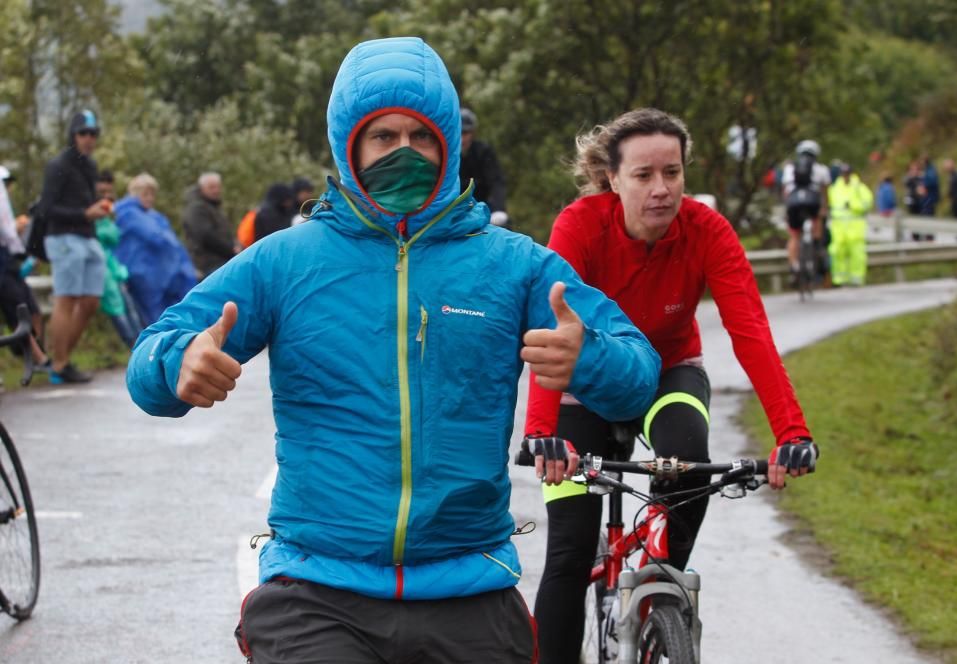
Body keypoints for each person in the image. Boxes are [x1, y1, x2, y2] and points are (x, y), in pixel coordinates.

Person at [125, 36, 660, 663]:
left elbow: (638, 367)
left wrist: (589, 357)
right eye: (383, 137)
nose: (404, 153)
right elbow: (152, 358)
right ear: (350, 147)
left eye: (421, 137)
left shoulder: (511, 264)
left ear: (448, 146)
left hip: (469, 584)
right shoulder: (286, 260)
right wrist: (177, 364)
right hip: (317, 589)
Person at [525, 108, 819, 664]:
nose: (661, 189)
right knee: (567, 555)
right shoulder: (580, 225)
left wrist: (791, 432)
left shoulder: (708, 230)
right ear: (613, 179)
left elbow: (751, 333)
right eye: (643, 175)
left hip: (669, 372)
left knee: (687, 461)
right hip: (583, 386)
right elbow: (552, 330)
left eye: (673, 173)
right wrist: (543, 432)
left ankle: (663, 592)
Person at [36, 109, 109, 384]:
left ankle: (63, 358)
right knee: (66, 299)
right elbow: (46, 209)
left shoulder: (90, 166)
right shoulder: (58, 165)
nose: (89, 139)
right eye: (83, 133)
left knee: (90, 301)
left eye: (93, 134)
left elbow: (86, 204)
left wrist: (98, 210)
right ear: (73, 134)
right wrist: (84, 214)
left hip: (89, 238)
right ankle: (59, 364)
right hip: (63, 237)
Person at [114, 173, 197, 325]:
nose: (150, 198)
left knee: (168, 314)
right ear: (135, 193)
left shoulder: (154, 216)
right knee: (154, 317)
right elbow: (156, 238)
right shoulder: (128, 213)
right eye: (146, 194)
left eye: (152, 194)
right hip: (144, 275)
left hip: (165, 275)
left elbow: (172, 244)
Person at [0, 166, 50, 370]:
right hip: (3, 258)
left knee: (30, 308)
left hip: (8, 257)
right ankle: (39, 359)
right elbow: (6, 229)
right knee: (19, 309)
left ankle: (37, 355)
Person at [93, 170, 144, 348]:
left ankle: (141, 343)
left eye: (109, 192)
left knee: (129, 306)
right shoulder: (91, 213)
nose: (106, 197)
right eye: (102, 193)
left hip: (113, 266)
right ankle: (133, 344)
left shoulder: (109, 213)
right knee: (117, 307)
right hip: (99, 266)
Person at [781, 139, 831, 279]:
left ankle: (793, 266)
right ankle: (816, 246)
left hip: (793, 203)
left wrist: (787, 209)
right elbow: (824, 193)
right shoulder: (821, 169)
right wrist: (824, 209)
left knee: (795, 236)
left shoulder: (790, 169)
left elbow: (785, 191)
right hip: (812, 202)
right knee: (818, 220)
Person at [459, 107, 510, 228]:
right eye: (458, 133)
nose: (461, 139)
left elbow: (496, 182)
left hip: (485, 211)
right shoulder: (446, 154)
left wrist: (498, 209)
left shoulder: (484, 152)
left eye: (465, 133)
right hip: (456, 213)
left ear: (472, 133)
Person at [181, 172, 236, 279]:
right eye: (211, 187)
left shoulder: (212, 207)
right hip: (208, 264)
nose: (216, 190)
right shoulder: (196, 208)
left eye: (218, 187)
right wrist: (231, 250)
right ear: (201, 188)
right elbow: (206, 236)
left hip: (220, 261)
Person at [827, 164, 874, 286]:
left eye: (847, 173)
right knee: (837, 252)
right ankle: (839, 279)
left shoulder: (859, 187)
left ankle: (856, 279)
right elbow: (829, 204)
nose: (845, 176)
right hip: (839, 227)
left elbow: (867, 203)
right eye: (843, 173)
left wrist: (853, 205)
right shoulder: (835, 188)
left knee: (857, 253)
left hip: (855, 227)